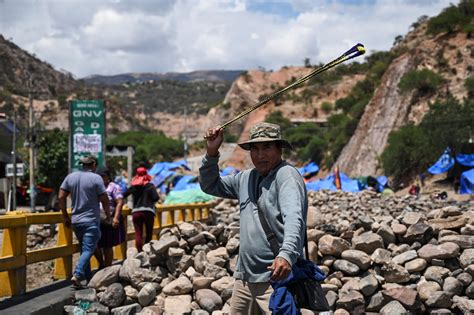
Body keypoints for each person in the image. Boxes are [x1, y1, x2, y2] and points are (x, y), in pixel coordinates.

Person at [200, 122, 307, 314]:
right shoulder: (245, 178)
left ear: (279, 148)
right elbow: (210, 185)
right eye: (255, 148)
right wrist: (211, 152)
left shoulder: (286, 176)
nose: (260, 155)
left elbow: (294, 217)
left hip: (275, 279)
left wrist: (286, 255)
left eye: (267, 147)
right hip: (245, 280)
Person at [59, 155, 110, 288]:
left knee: (84, 249)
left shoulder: (71, 177)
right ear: (93, 164)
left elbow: (61, 197)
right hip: (91, 220)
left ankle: (87, 280)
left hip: (76, 221)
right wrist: (108, 214)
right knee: (88, 249)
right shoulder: (96, 178)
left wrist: (65, 216)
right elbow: (104, 198)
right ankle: (77, 274)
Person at [94, 167, 125, 268]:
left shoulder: (114, 187)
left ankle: (107, 268)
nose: (101, 178)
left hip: (108, 219)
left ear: (108, 177)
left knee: (107, 246)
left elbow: (119, 203)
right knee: (94, 245)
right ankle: (101, 264)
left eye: (103, 176)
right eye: (99, 177)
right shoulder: (95, 187)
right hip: (95, 220)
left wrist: (116, 218)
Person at [124, 166, 160, 252]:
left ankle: (140, 252)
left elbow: (124, 195)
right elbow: (156, 198)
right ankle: (148, 252)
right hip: (148, 212)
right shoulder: (150, 186)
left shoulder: (134, 186)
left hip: (136, 212)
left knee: (138, 234)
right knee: (149, 233)